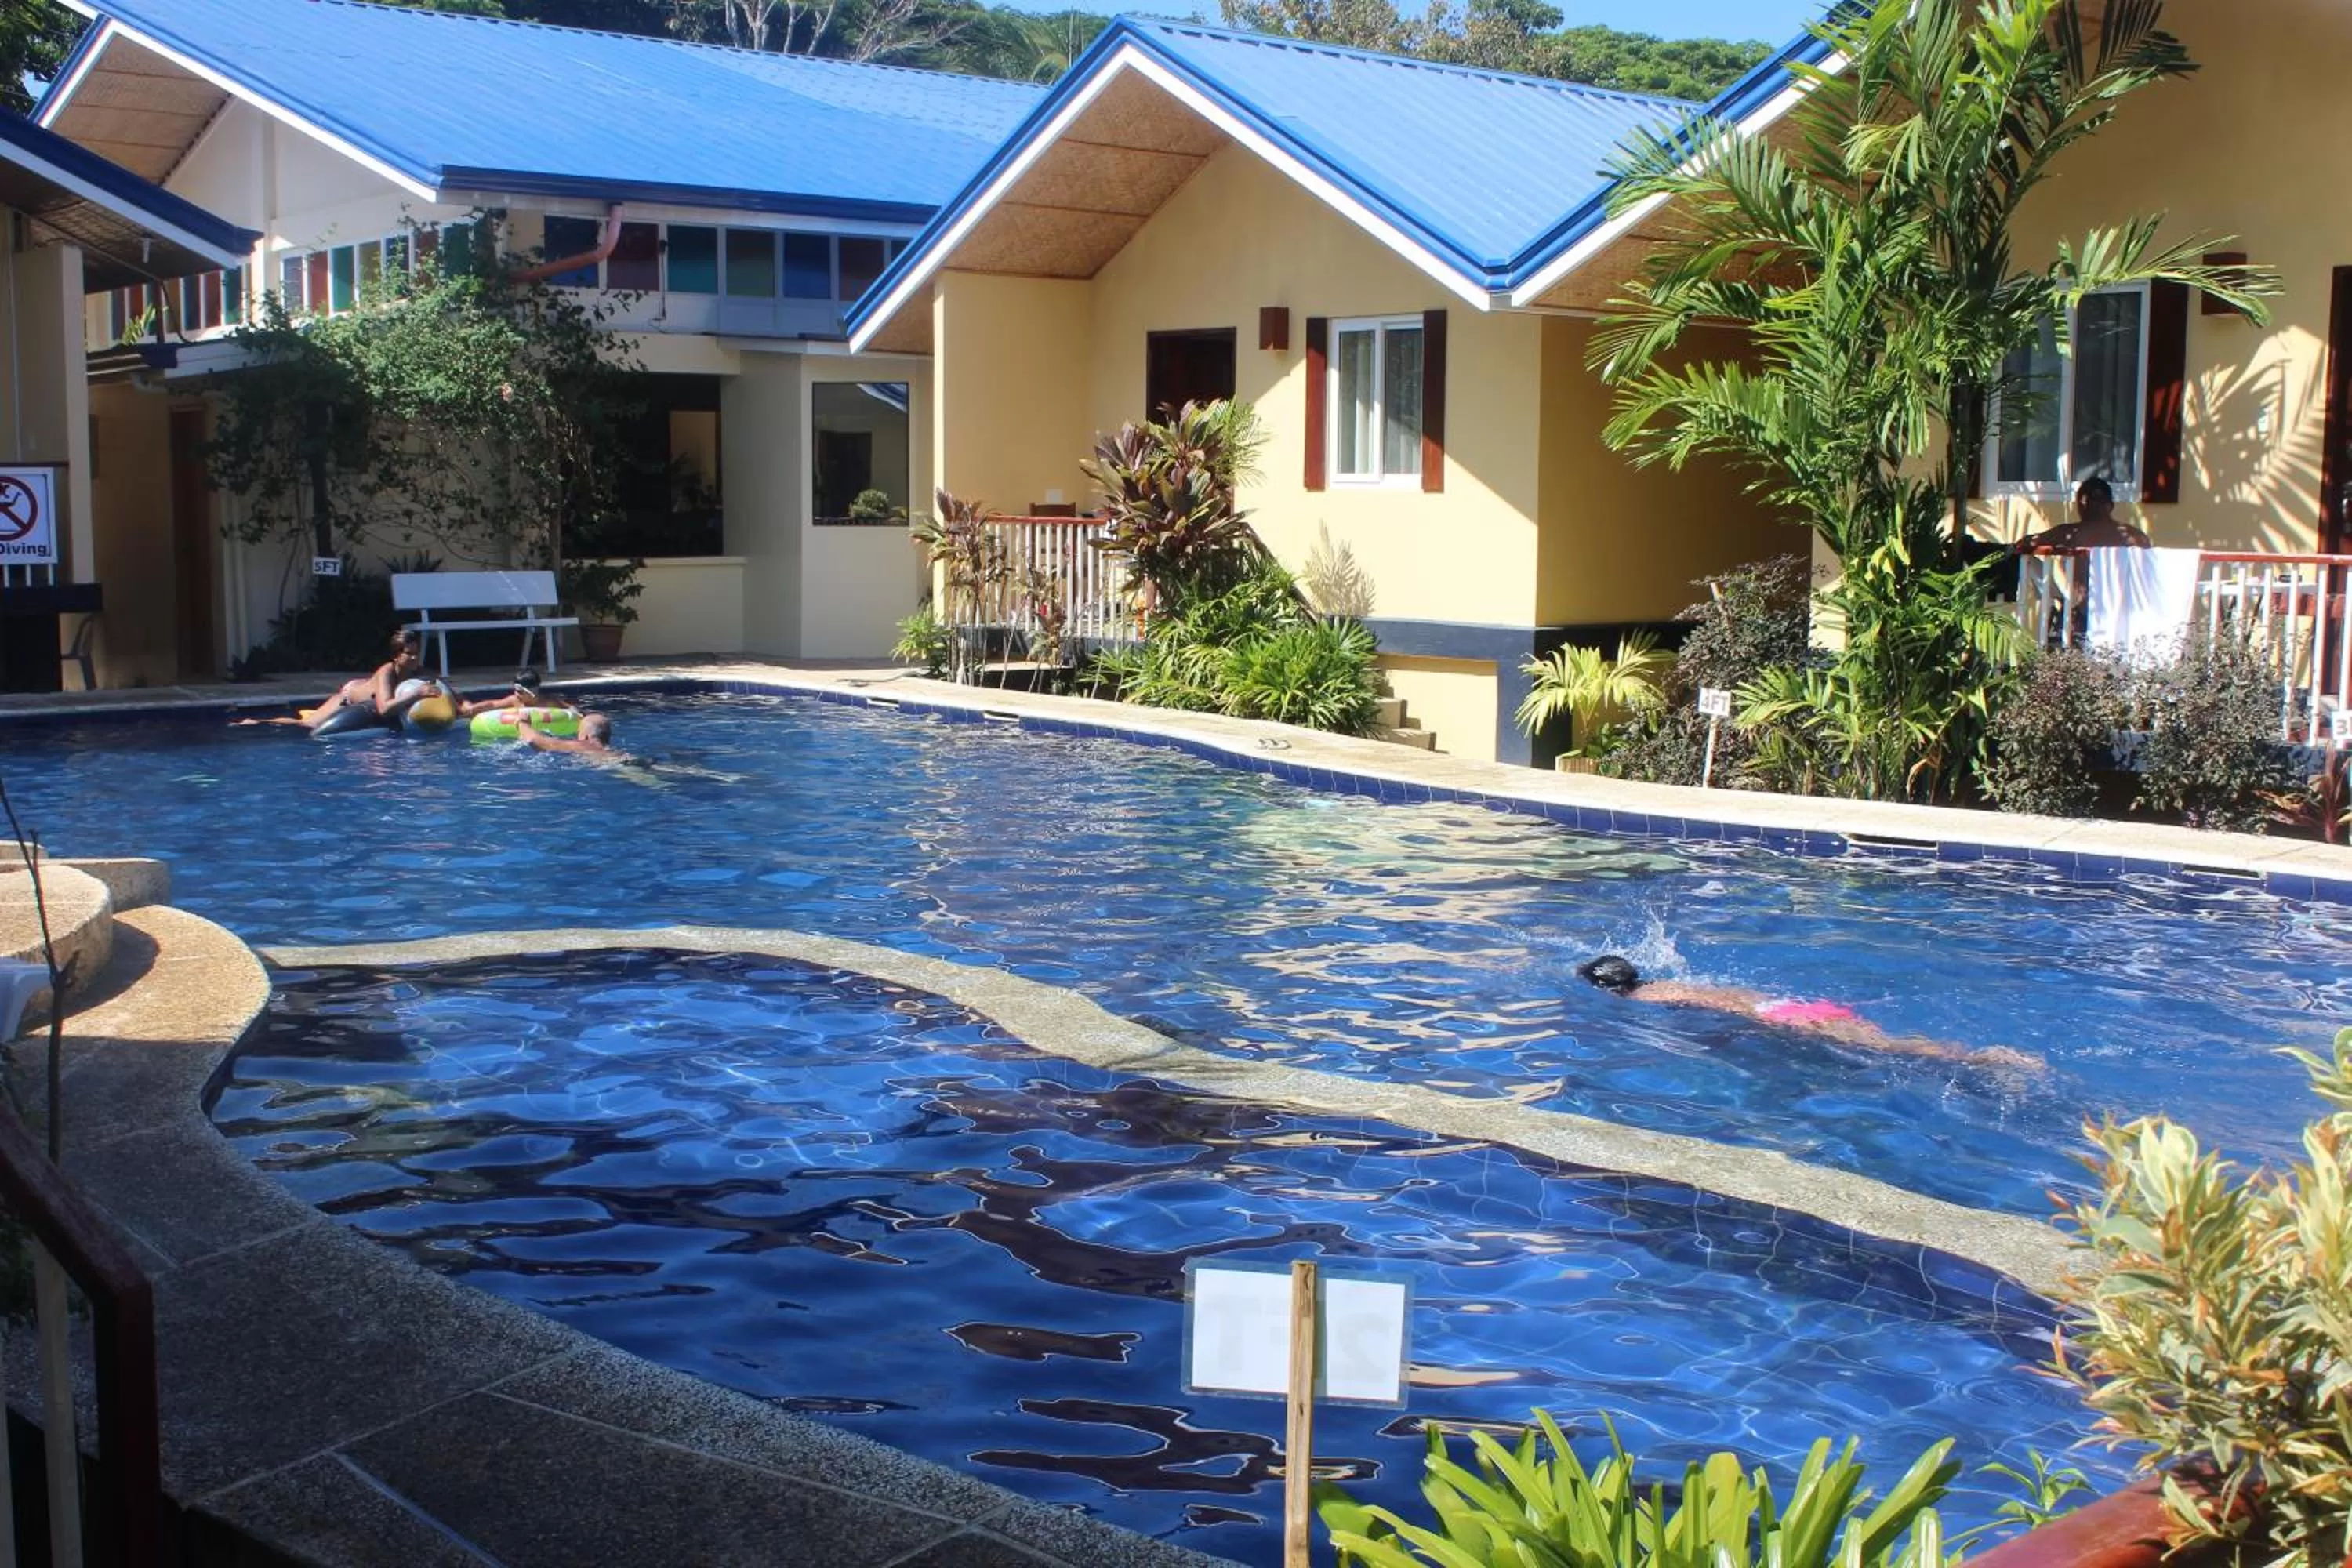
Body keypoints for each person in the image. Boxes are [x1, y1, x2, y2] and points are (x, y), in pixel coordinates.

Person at [1575, 955, 2042, 1075]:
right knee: (1884, 1041)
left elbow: (1713, 1029)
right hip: (1794, 1007)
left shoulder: (1644, 1001)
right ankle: (1977, 1058)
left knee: (1891, 1048)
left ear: (1610, 990)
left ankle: (1988, 1058)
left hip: (1787, 1021)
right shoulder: (1668, 983)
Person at [234, 630, 430, 730]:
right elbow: (384, 709)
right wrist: (417, 694)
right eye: (409, 654)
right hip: (347, 698)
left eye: (416, 653)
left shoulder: (418, 672)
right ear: (396, 656)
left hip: (362, 690)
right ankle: (255, 722)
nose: (414, 658)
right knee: (307, 725)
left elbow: (450, 692)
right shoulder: (386, 671)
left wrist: (461, 708)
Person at [2012, 477, 2151, 554]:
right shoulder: (2135, 536)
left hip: (2082, 603)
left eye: (2090, 502)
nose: (2084, 505)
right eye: (2082, 502)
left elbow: (2026, 543)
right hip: (2124, 603)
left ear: (2109, 506)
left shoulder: (2069, 533)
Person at [455, 668, 578, 720]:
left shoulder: (549, 702)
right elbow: (492, 704)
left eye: (520, 691)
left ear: (532, 692)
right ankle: (460, 698)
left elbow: (570, 708)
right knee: (466, 709)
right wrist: (471, 710)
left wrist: (575, 714)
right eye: (515, 690)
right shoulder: (515, 701)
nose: (516, 694)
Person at [517, 711, 620, 760]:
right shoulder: (611, 751)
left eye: (579, 733)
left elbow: (535, 741)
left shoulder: (585, 745)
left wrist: (523, 723)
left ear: (586, 736)